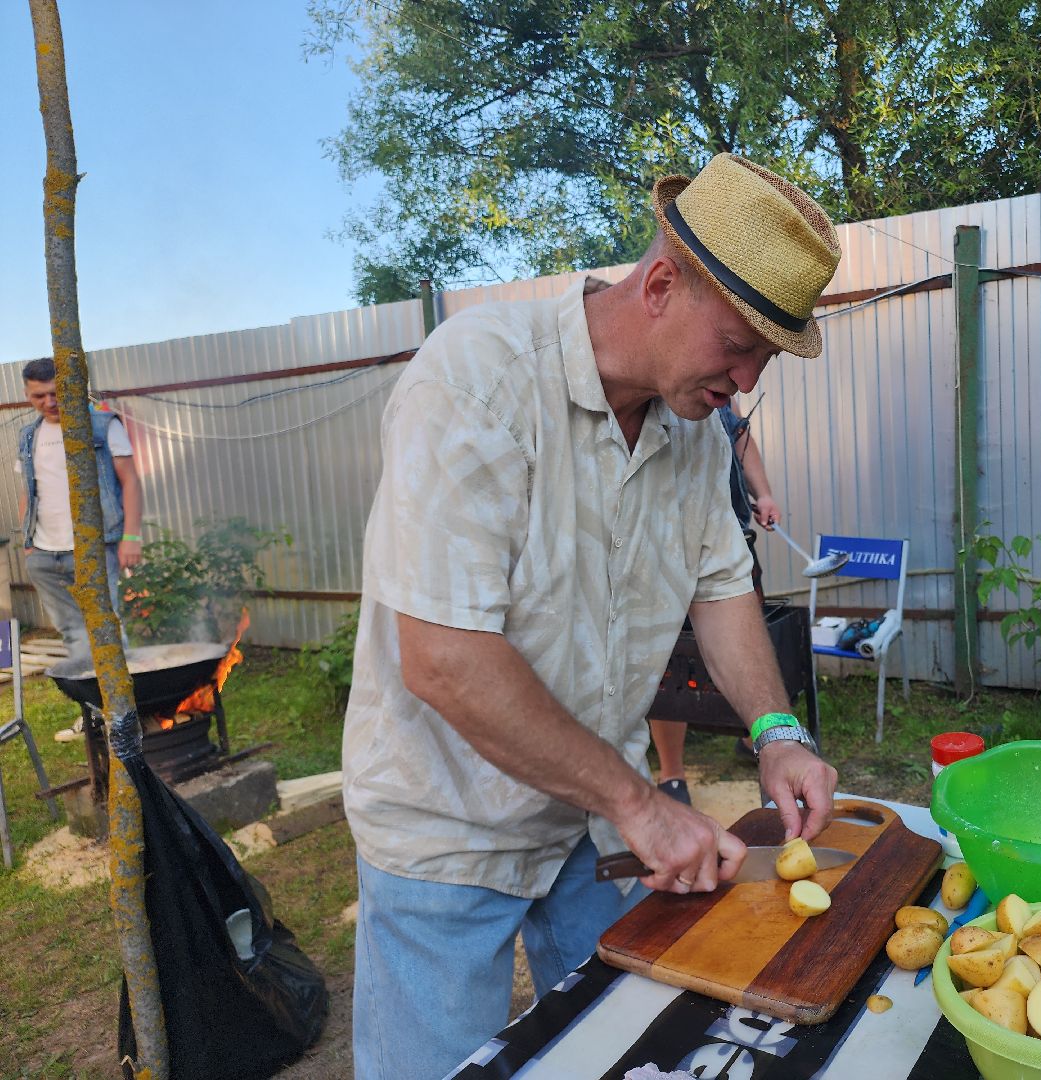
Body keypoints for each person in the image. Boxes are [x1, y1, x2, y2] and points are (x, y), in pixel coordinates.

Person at [342, 152, 842, 1079]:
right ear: (660, 284)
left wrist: (776, 732)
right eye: (736, 348)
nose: (742, 381)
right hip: (448, 828)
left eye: (761, 365)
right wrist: (639, 801)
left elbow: (723, 589)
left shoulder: (691, 430)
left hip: (591, 830)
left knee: (623, 1053)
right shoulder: (478, 382)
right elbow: (444, 659)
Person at [648, 403, 781, 804]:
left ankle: (754, 737)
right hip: (664, 552)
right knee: (670, 667)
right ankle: (672, 774)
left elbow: (741, 437)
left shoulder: (722, 395)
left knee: (749, 643)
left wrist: (765, 493)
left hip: (735, 542)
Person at [15, 358, 143, 741]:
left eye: (56, 392)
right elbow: (30, 493)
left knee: (106, 629)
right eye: (39, 395)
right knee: (73, 635)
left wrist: (131, 538)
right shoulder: (28, 436)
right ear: (27, 394)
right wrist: (28, 545)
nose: (49, 401)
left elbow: (131, 481)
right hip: (44, 554)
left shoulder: (103, 425)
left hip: (94, 548)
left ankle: (126, 714)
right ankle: (95, 717)